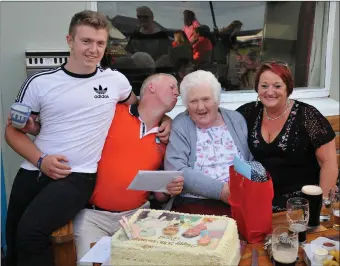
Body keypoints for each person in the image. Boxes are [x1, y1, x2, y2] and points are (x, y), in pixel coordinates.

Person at [4, 10, 171, 266]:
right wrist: (41, 160)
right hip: (33, 169)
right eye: (86, 41)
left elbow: (141, 110)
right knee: (14, 239)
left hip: (77, 175)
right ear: (70, 40)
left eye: (100, 43)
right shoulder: (39, 82)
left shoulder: (115, 81)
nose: (93, 49)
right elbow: (12, 132)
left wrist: (165, 120)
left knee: (32, 233)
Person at [73, 73, 182, 261]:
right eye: (172, 87)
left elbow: (159, 195)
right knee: (90, 263)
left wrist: (169, 189)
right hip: (93, 216)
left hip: (138, 216)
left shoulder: (169, 135)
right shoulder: (113, 112)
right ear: (151, 87)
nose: (177, 93)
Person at [236, 61, 338, 212]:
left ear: (288, 88)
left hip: (302, 198)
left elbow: (328, 163)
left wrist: (321, 203)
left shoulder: (307, 116)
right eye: (264, 86)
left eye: (277, 86)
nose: (270, 92)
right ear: (257, 88)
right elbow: (220, 124)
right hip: (261, 195)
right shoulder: (248, 112)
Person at [164, 70, 253, 215]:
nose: (200, 107)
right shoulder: (181, 124)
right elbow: (177, 169)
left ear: (217, 99)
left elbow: (249, 160)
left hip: (238, 199)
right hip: (195, 204)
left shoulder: (236, 119)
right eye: (193, 101)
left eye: (206, 99)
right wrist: (221, 191)